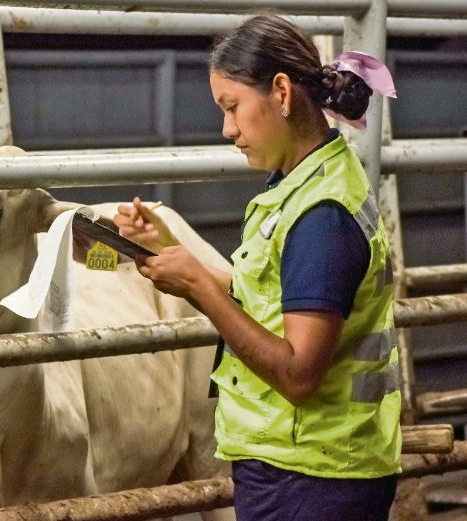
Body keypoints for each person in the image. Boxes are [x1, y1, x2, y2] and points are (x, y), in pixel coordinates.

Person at [114, 14, 401, 521]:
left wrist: (201, 289)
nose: (228, 130)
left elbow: (297, 374)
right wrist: (168, 248)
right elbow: (274, 294)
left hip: (313, 475)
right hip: (303, 466)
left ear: (282, 93)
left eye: (232, 108)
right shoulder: (304, 183)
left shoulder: (321, 216)